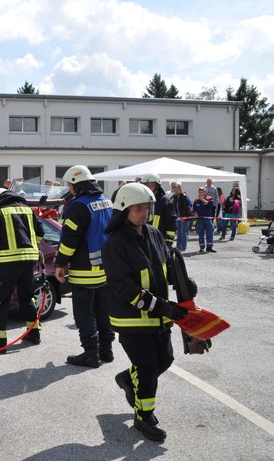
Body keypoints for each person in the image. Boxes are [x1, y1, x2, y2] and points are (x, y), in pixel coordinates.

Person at [102, 182, 190, 442]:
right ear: (123, 210)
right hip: (131, 319)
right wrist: (164, 307)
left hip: (159, 316)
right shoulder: (115, 244)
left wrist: (183, 281)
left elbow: (165, 265)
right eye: (138, 208)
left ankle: (128, 380)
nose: (144, 213)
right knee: (149, 367)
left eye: (147, 208)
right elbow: (125, 288)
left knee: (165, 360)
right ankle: (144, 417)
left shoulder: (153, 233)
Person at [55, 165, 114, 368]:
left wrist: (60, 263)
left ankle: (90, 355)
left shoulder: (79, 206)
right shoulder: (106, 202)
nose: (69, 189)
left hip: (84, 270)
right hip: (104, 269)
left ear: (77, 186)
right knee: (102, 311)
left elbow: (69, 240)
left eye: (70, 185)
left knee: (85, 314)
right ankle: (106, 350)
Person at [0, 189, 44, 351]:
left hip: (8, 262)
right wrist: (34, 246)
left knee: (1, 301)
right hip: (29, 260)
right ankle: (34, 333)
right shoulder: (28, 209)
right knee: (27, 298)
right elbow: (41, 232)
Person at [140, 173, 176, 248]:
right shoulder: (140, 200)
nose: (148, 188)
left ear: (157, 186)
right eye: (146, 185)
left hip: (159, 240)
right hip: (143, 239)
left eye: (151, 185)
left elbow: (171, 223)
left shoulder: (166, 202)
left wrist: (168, 243)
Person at [192, 186, 216, 253]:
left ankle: (209, 247)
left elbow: (210, 205)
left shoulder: (209, 198)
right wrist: (195, 213)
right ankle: (202, 247)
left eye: (202, 192)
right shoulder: (196, 200)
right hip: (200, 219)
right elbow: (194, 209)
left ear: (205, 192)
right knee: (201, 233)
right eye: (200, 192)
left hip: (207, 218)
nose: (201, 194)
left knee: (210, 232)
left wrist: (202, 199)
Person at [172, 184, 190, 251]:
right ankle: (178, 245)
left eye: (177, 189)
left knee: (183, 232)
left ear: (180, 189)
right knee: (178, 232)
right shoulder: (175, 197)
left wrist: (183, 217)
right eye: (175, 190)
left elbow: (185, 207)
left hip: (183, 217)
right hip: (177, 217)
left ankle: (183, 246)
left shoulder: (184, 196)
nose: (176, 191)